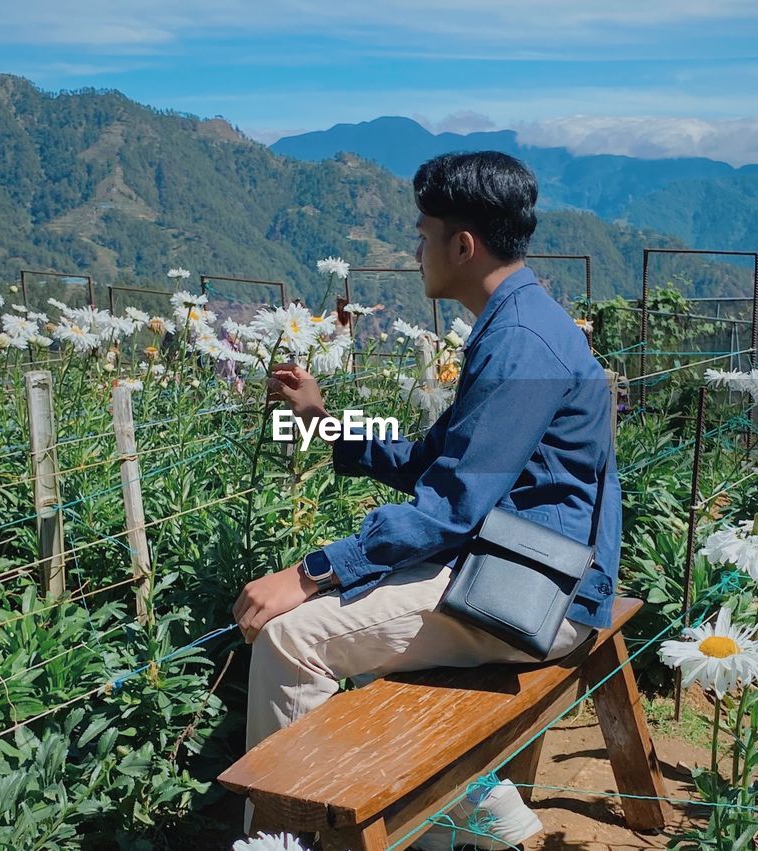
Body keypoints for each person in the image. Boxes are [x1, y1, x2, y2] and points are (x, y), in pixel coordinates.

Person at [231, 151, 621, 849]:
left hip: (537, 593)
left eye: (421, 234)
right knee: (362, 614)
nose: (415, 251)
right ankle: (458, 810)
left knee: (294, 639)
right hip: (528, 562)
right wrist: (329, 423)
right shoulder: (518, 322)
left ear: (462, 245)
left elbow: (448, 508)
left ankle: (287, 841)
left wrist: (309, 570)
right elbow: (439, 463)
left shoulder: (521, 344)